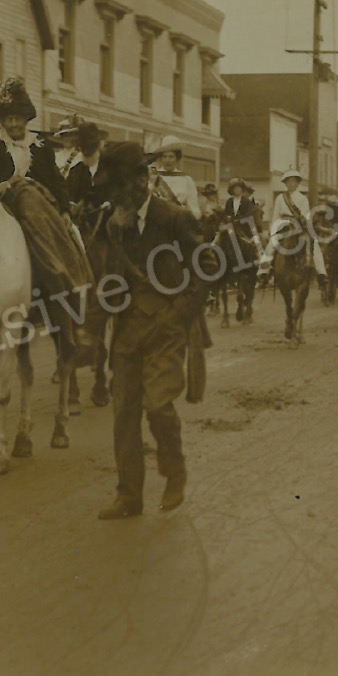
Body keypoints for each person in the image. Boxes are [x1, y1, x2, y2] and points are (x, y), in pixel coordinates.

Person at [92, 143, 210, 519]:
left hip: (166, 328)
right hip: (127, 329)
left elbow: (206, 267)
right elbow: (104, 278)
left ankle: (174, 471)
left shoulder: (173, 218)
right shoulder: (111, 223)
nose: (114, 197)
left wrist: (179, 314)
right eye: (111, 190)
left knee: (158, 406)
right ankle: (129, 496)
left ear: (143, 181)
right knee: (124, 412)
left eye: (121, 187)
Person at [0, 77, 96, 363]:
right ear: (1, 121)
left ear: (26, 119)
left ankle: (64, 280)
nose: (14, 124)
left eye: (17, 118)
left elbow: (55, 181)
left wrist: (65, 211)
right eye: (8, 119)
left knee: (48, 215)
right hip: (3, 206)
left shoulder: (39, 146)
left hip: (38, 206)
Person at [259, 170, 327, 285]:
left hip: (298, 225)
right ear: (285, 184)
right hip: (283, 225)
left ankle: (321, 273)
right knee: (271, 244)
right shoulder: (280, 198)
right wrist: (273, 229)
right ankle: (264, 272)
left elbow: (305, 215)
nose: (291, 184)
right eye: (289, 182)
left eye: (293, 182)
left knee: (314, 245)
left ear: (297, 183)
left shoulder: (303, 198)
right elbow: (276, 215)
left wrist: (301, 222)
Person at [148, 135, 201, 220]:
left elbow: (194, 210)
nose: (167, 160)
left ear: (177, 158)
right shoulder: (153, 177)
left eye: (171, 157)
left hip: (178, 224)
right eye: (164, 156)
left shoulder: (186, 180)